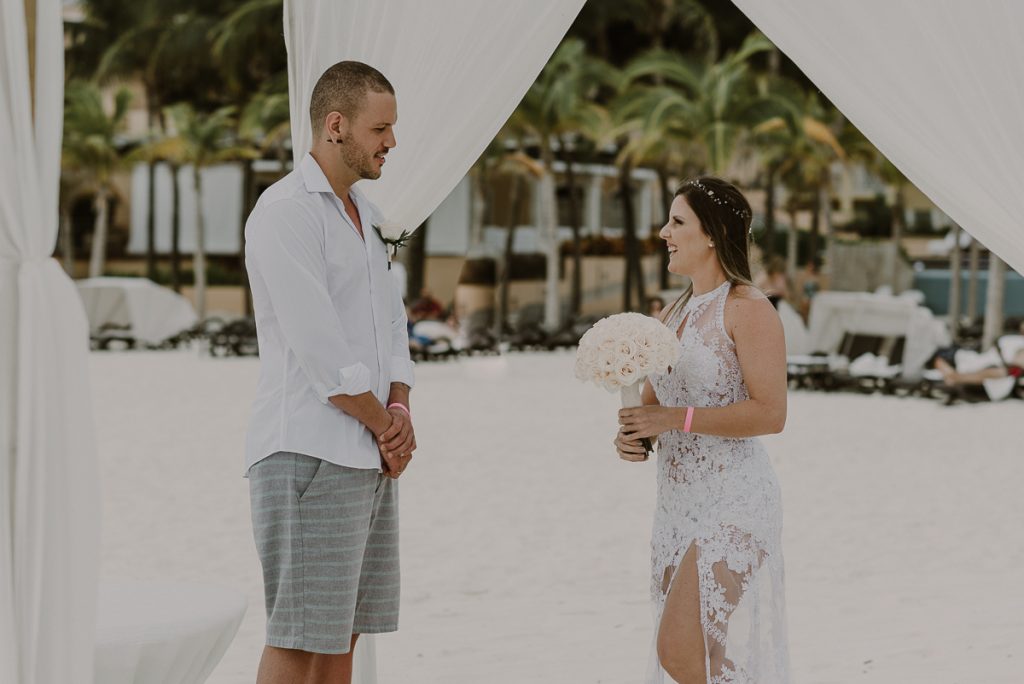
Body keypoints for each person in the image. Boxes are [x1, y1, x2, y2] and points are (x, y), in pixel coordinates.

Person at [243, 61, 416, 684]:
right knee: (298, 635)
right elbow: (319, 346)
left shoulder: (365, 217)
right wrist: (384, 425)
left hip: (365, 450)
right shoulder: (285, 212)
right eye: (381, 128)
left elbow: (390, 327)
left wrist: (398, 410)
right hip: (307, 452)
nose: (391, 141)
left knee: (343, 630)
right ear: (336, 125)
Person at [616, 177, 790, 683]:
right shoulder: (673, 313)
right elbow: (657, 404)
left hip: (735, 502)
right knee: (706, 654)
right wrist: (635, 435)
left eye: (677, 221)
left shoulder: (748, 309)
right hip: (676, 506)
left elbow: (770, 413)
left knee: (679, 649)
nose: (663, 231)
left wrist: (673, 419)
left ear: (711, 234)